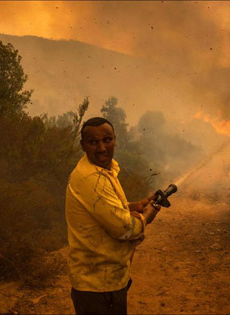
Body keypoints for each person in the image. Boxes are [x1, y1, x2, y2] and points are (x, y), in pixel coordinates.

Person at [65, 117, 160, 315]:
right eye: (93, 142)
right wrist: (147, 215)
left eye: (107, 140)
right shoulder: (92, 178)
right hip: (98, 285)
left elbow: (102, 209)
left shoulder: (102, 171)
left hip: (105, 281)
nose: (101, 148)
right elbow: (124, 228)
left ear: (115, 140)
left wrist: (134, 205)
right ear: (83, 145)